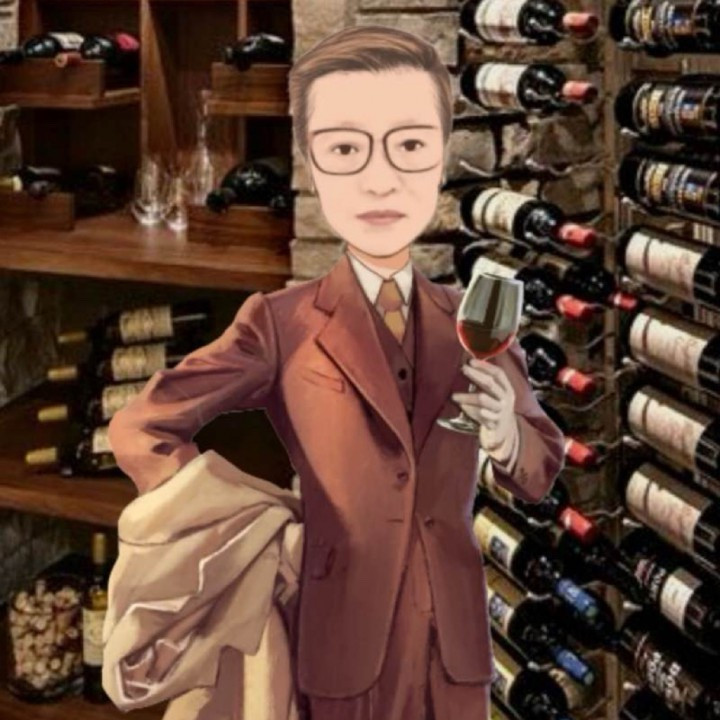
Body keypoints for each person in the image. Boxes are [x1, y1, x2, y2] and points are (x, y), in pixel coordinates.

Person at [108, 24, 565, 720]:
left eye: (409, 146)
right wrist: (247, 528)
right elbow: (142, 427)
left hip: (456, 650)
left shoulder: (473, 318)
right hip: (340, 644)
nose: (380, 178)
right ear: (312, 166)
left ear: (441, 158)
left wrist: (508, 437)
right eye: (347, 150)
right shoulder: (281, 323)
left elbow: (539, 469)